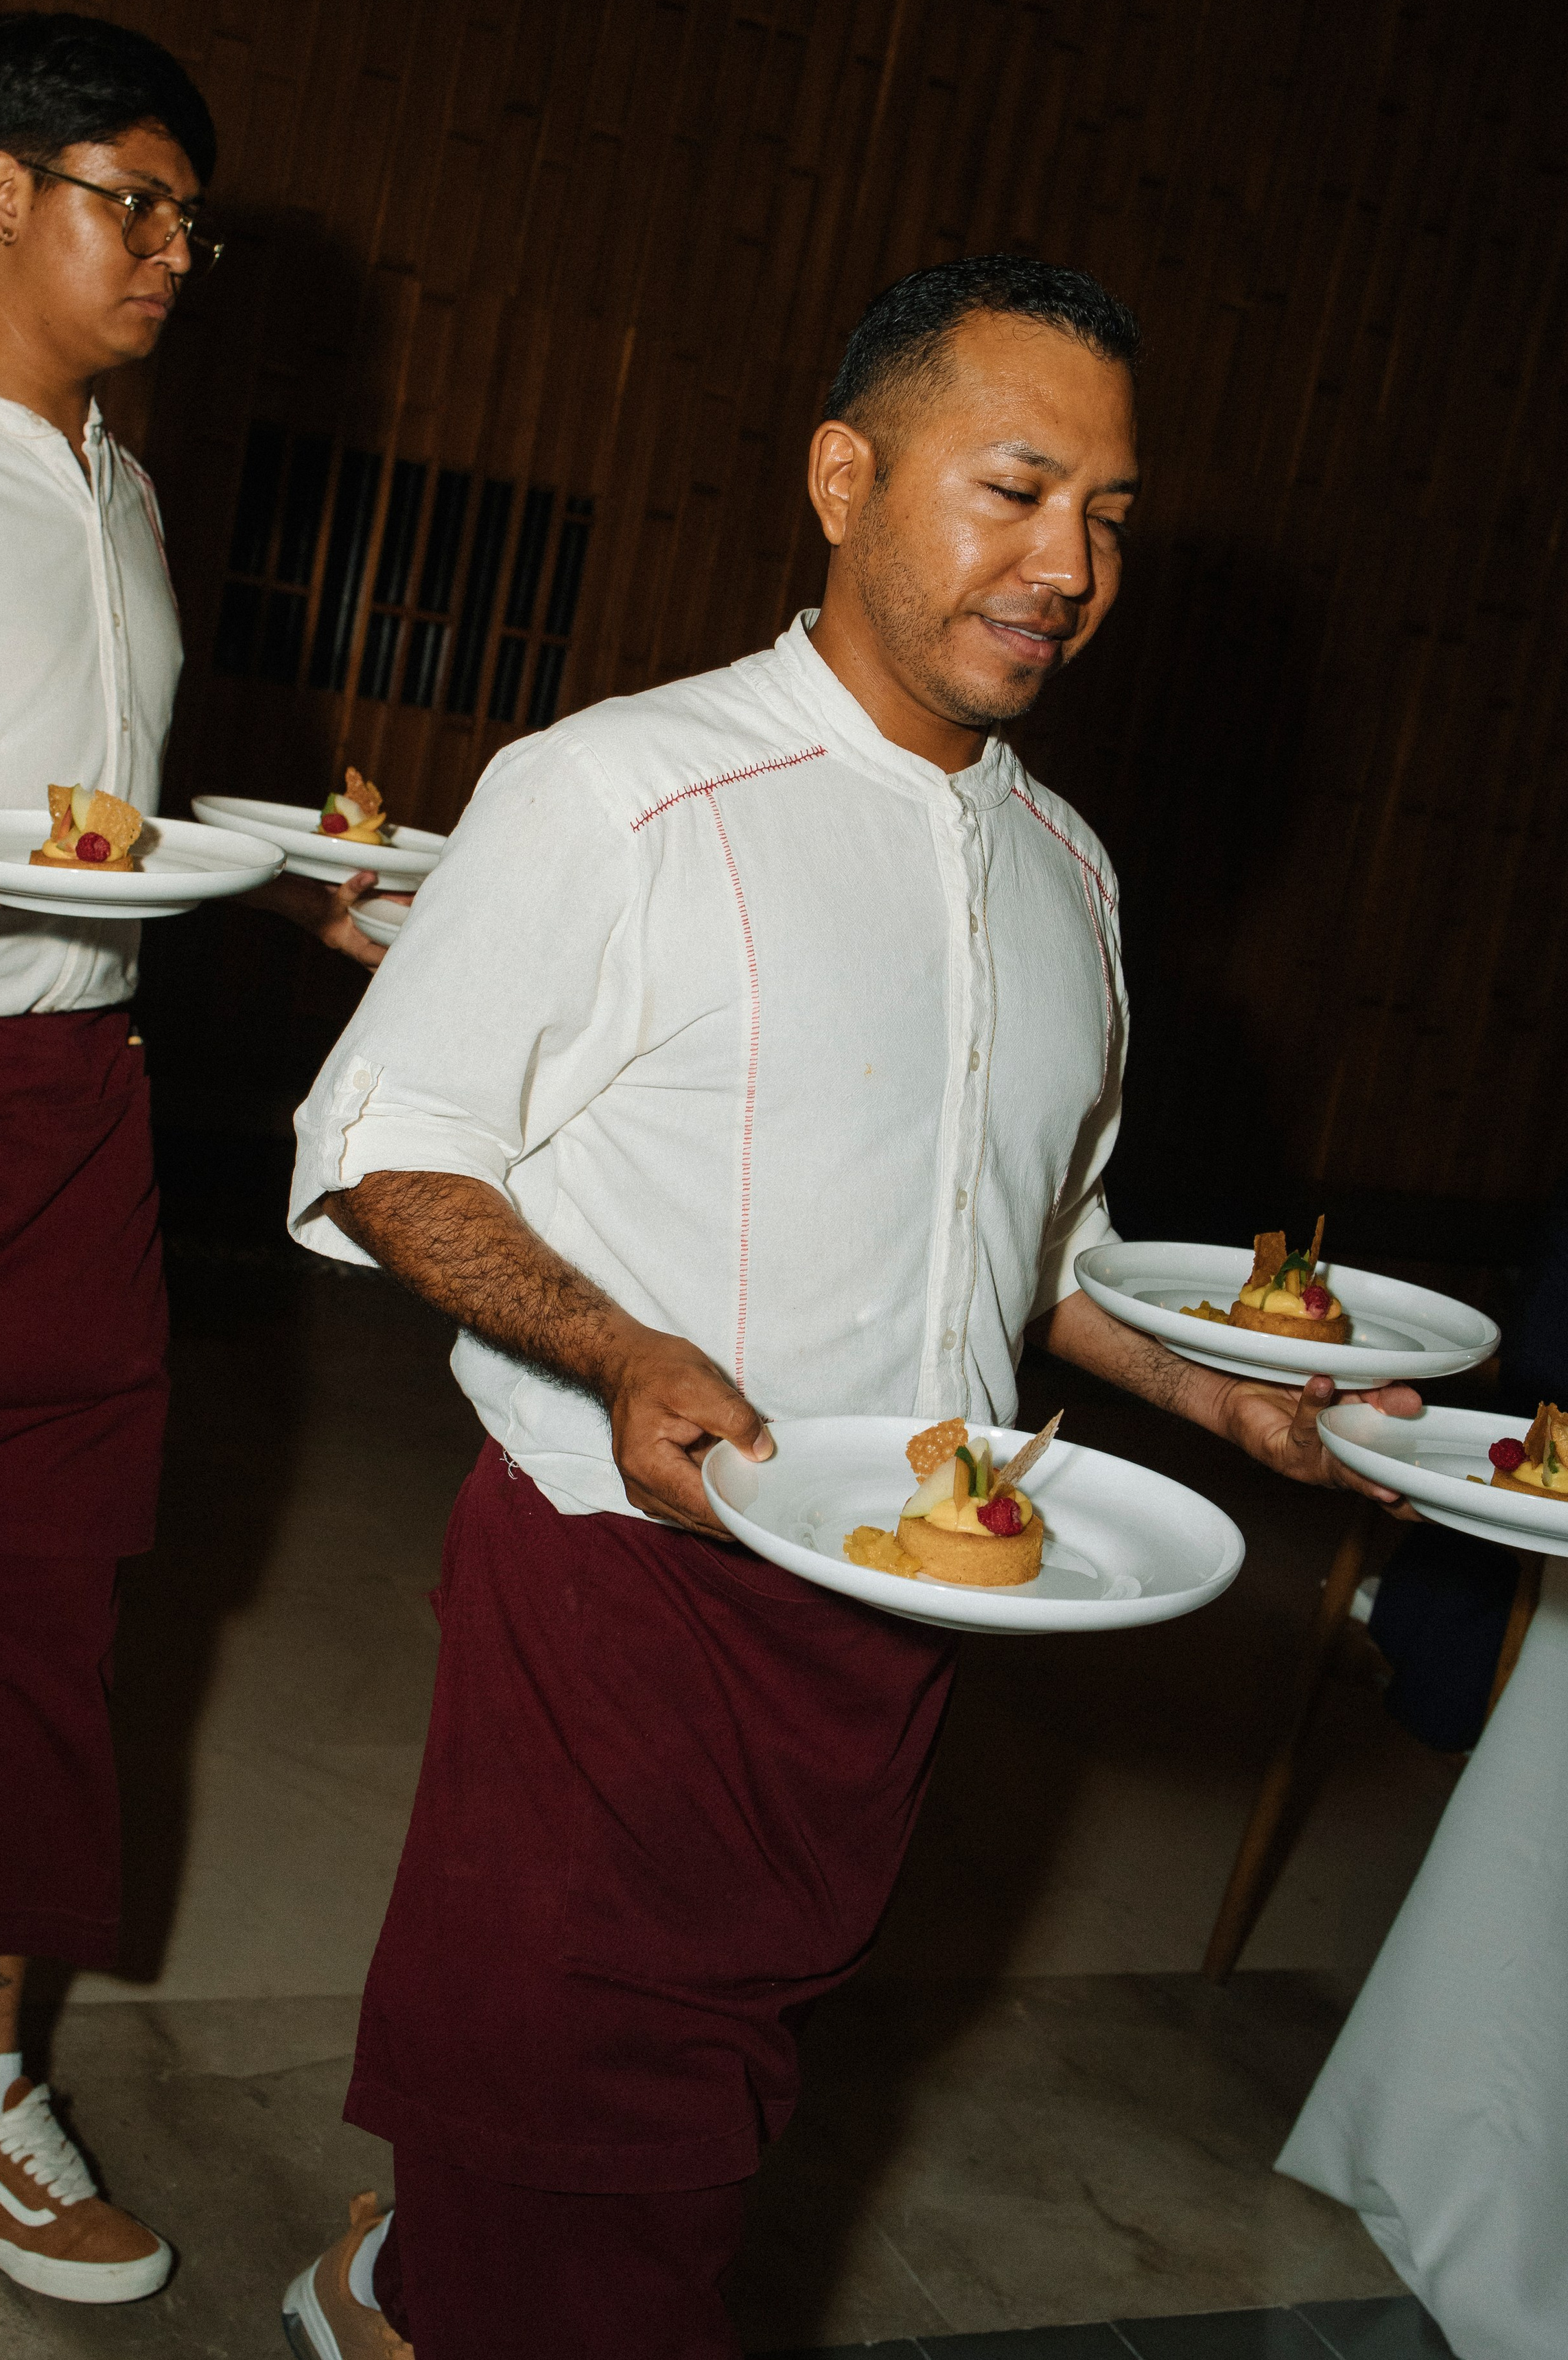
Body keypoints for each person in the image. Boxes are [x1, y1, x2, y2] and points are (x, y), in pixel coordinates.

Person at [281, 255, 1416, 2360]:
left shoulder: (1067, 869)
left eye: (1110, 518)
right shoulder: (614, 789)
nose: (1066, 565)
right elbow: (378, 1144)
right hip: (628, 1578)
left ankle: (410, 2287)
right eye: (1014, 492)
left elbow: (1029, 1255)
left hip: (912, 1593)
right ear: (842, 476)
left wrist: (1223, 1394)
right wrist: (622, 1351)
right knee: (615, 2138)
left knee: (726, 2071)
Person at [0, 10, 377, 2306]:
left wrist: (280, 877)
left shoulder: (125, 479)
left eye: (187, 219)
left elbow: (94, 825)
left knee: (41, 1603)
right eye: (132, 202)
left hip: (70, 1117)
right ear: (1, 194)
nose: (170, 253)